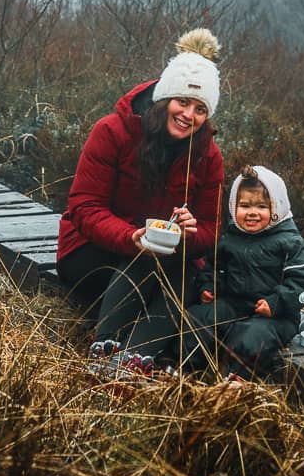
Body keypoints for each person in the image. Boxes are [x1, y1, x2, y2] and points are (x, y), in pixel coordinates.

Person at [56, 28, 225, 372]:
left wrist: (192, 233)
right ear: (164, 99)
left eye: (200, 109)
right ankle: (105, 352)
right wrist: (131, 238)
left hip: (161, 259)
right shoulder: (112, 131)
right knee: (150, 259)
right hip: (90, 253)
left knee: (185, 273)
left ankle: (132, 360)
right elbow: (84, 207)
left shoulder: (209, 155)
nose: (188, 115)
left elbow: (212, 231)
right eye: (182, 102)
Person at [182, 164, 304, 381]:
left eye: (262, 207)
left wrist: (276, 303)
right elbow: (214, 266)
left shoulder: (289, 241)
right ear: (233, 207)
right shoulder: (230, 238)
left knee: (252, 335)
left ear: (276, 208)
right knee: (200, 318)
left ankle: (236, 379)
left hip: (275, 315)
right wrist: (209, 286)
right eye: (244, 206)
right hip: (234, 304)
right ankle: (184, 369)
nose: (252, 213)